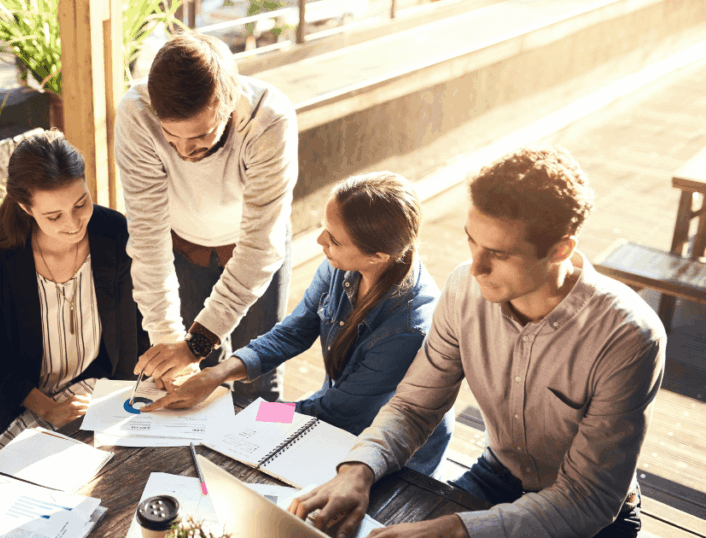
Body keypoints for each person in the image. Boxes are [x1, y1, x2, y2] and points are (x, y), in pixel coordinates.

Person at [290, 145, 665, 538]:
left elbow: (588, 499)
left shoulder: (628, 336)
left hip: (591, 514)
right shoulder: (462, 288)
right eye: (471, 241)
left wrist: (455, 530)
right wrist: (358, 470)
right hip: (497, 475)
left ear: (561, 250)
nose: (477, 268)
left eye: (499, 254)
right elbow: (414, 407)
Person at [143, 172, 454, 477]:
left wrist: (249, 414)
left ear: (377, 256)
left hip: (397, 461)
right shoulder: (341, 265)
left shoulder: (408, 330)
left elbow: (335, 412)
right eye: (324, 228)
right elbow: (292, 333)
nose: (320, 240)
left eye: (332, 239)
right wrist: (217, 374)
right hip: (338, 418)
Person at [115, 30, 298, 400]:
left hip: (256, 250)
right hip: (184, 248)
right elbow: (148, 237)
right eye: (171, 137)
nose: (184, 151)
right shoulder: (136, 113)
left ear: (230, 104)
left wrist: (195, 344)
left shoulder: (271, 119)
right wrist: (171, 347)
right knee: (194, 378)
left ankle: (281, 433)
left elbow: (259, 248)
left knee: (262, 383)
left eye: (200, 136)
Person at [0, 129, 148, 457]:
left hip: (96, 384)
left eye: (81, 203)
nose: (75, 223)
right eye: (54, 216)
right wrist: (49, 409)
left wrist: (124, 397)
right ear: (25, 207)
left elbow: (134, 325)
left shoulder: (113, 232)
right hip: (21, 401)